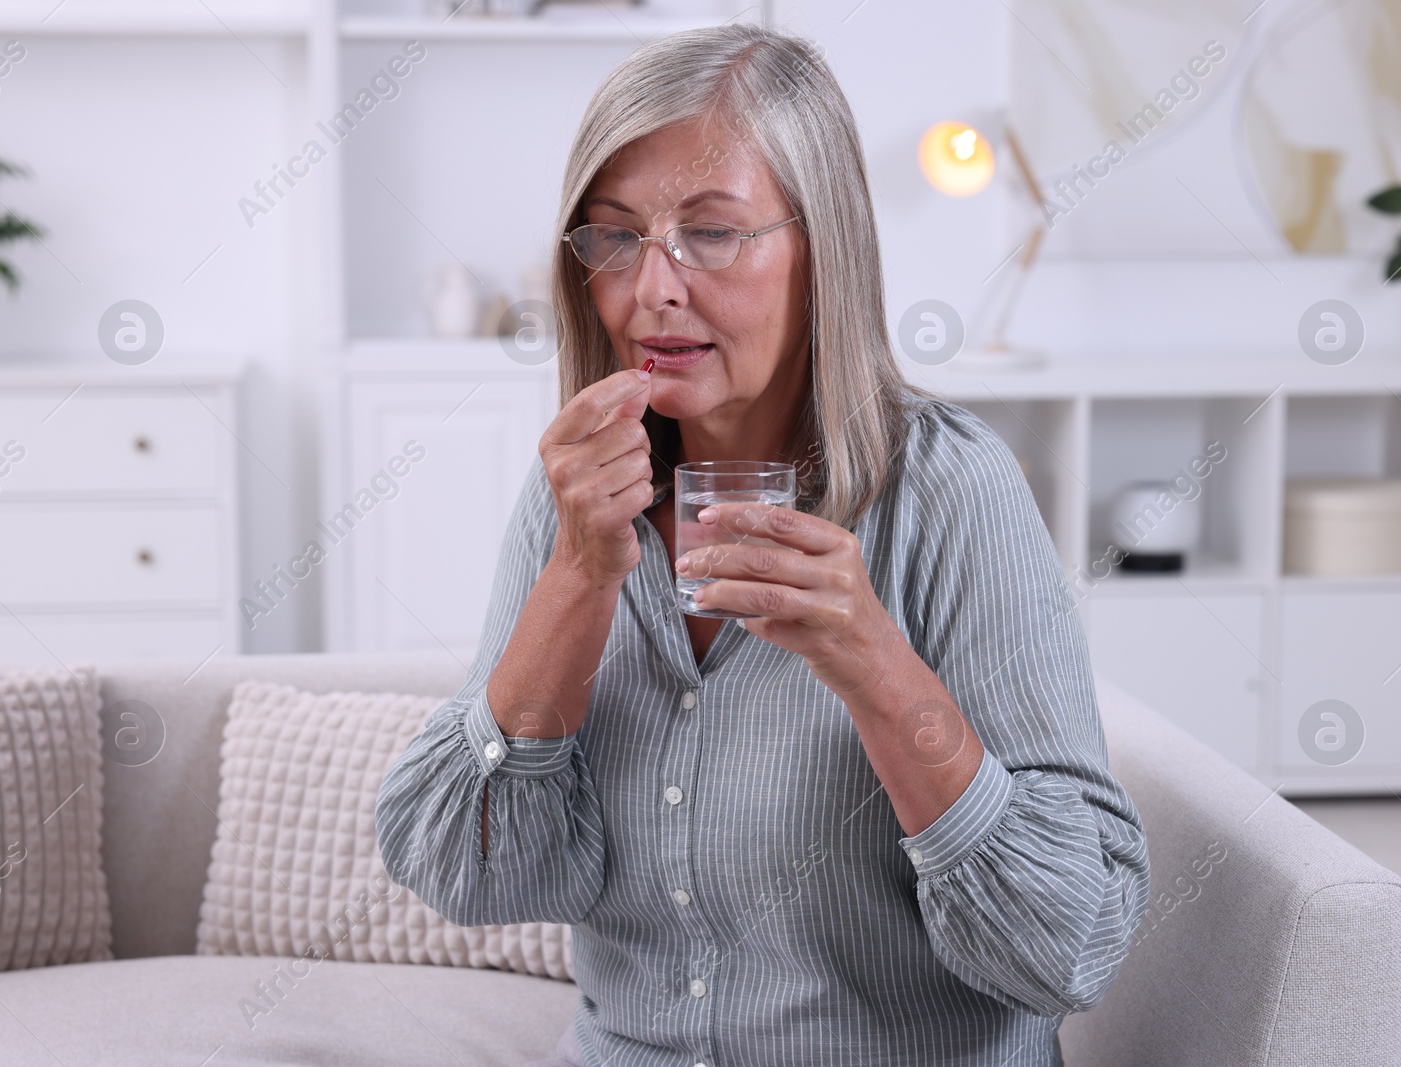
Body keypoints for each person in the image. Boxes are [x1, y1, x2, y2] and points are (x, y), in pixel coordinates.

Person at [375, 22, 1149, 1067]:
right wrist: (576, 578)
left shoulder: (952, 492)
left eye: (712, 231)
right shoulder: (577, 495)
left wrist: (872, 663)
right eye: (614, 235)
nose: (651, 289)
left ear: (820, 244)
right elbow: (467, 873)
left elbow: (1070, 948)